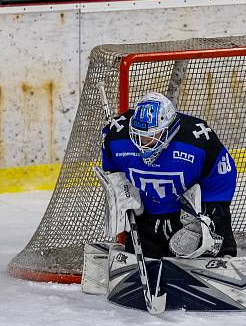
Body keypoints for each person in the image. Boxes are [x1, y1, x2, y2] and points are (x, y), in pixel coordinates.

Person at [99, 91, 237, 260]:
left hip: (187, 215)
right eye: (139, 135)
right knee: (141, 261)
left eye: (151, 135)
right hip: (146, 217)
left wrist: (203, 219)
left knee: (212, 248)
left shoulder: (197, 140)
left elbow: (221, 178)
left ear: (169, 129)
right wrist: (122, 190)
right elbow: (112, 166)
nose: (144, 142)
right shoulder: (116, 137)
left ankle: (222, 260)